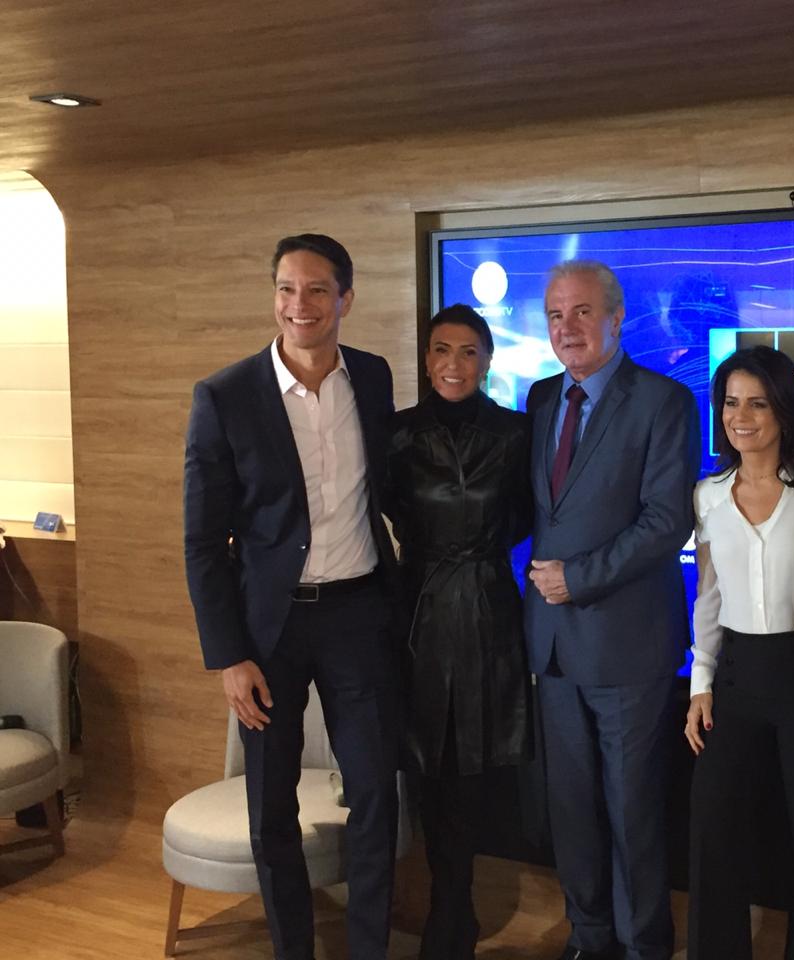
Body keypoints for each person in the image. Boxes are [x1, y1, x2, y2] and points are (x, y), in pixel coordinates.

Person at [183, 234, 400, 960]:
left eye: (314, 290)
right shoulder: (224, 396)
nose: (297, 305)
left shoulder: (371, 377)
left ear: (345, 297)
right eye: (285, 289)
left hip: (358, 615)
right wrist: (229, 656)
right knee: (269, 805)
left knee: (375, 794)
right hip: (267, 631)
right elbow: (203, 542)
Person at [523, 259, 700, 960]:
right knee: (571, 813)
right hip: (554, 648)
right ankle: (588, 938)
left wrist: (579, 578)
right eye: (555, 315)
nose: (568, 328)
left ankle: (642, 945)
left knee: (633, 815)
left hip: (628, 646)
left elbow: (665, 523)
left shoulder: (663, 401)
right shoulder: (539, 400)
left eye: (583, 312)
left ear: (617, 318)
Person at [383, 304, 534, 960]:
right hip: (414, 608)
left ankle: (453, 915)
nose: (454, 364)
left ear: (488, 359)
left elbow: (528, 515)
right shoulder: (394, 435)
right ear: (425, 358)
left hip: (487, 608)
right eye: (442, 350)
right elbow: (383, 509)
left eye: (469, 351)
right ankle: (449, 910)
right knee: (426, 765)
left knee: (471, 770)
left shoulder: (517, 432)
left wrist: (474, 553)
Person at [683, 346, 794, 960]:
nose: (741, 416)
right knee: (713, 833)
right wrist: (700, 684)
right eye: (730, 402)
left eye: (757, 402)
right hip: (737, 677)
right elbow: (710, 597)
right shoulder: (708, 495)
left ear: (783, 411)